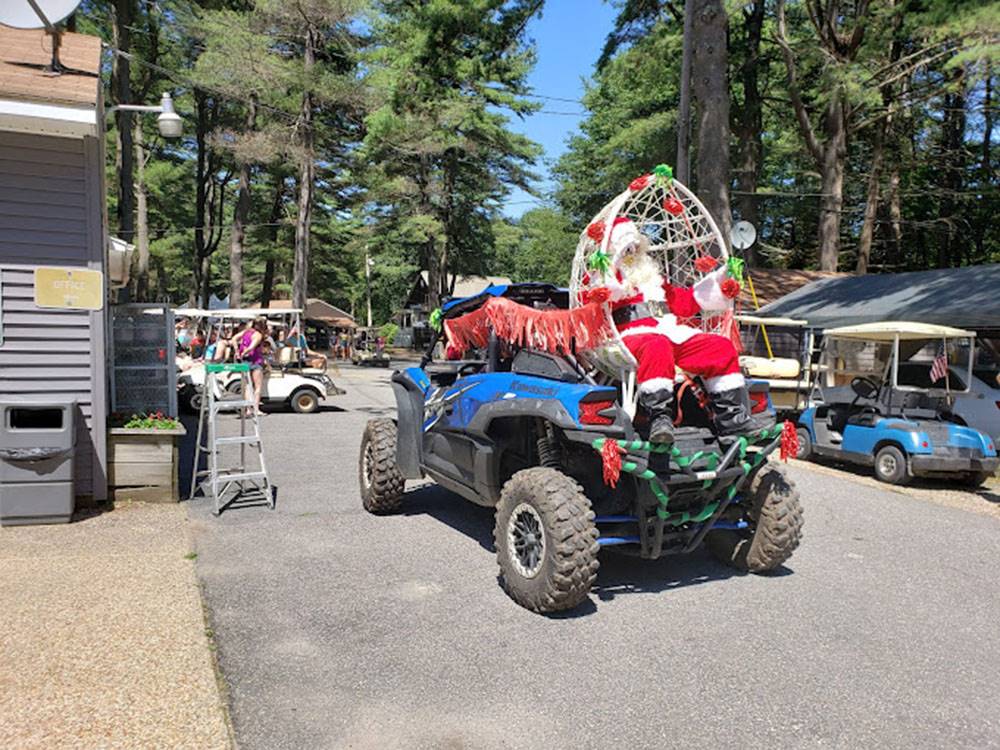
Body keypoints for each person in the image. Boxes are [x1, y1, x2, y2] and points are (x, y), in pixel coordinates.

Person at [580, 216, 769, 444]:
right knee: (656, 345)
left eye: (635, 247)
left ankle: (732, 420)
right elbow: (593, 303)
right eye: (626, 247)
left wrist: (721, 282)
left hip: (669, 332)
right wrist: (609, 269)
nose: (632, 253)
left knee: (720, 347)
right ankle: (660, 419)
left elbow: (687, 302)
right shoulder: (602, 278)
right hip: (625, 337)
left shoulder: (654, 281)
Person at [236, 317, 268, 417]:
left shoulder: (246, 332)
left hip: (245, 361)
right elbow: (252, 347)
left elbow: (234, 339)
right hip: (256, 360)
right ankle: (256, 409)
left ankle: (248, 409)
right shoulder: (258, 335)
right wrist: (245, 352)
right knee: (257, 386)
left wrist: (237, 351)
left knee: (247, 386)